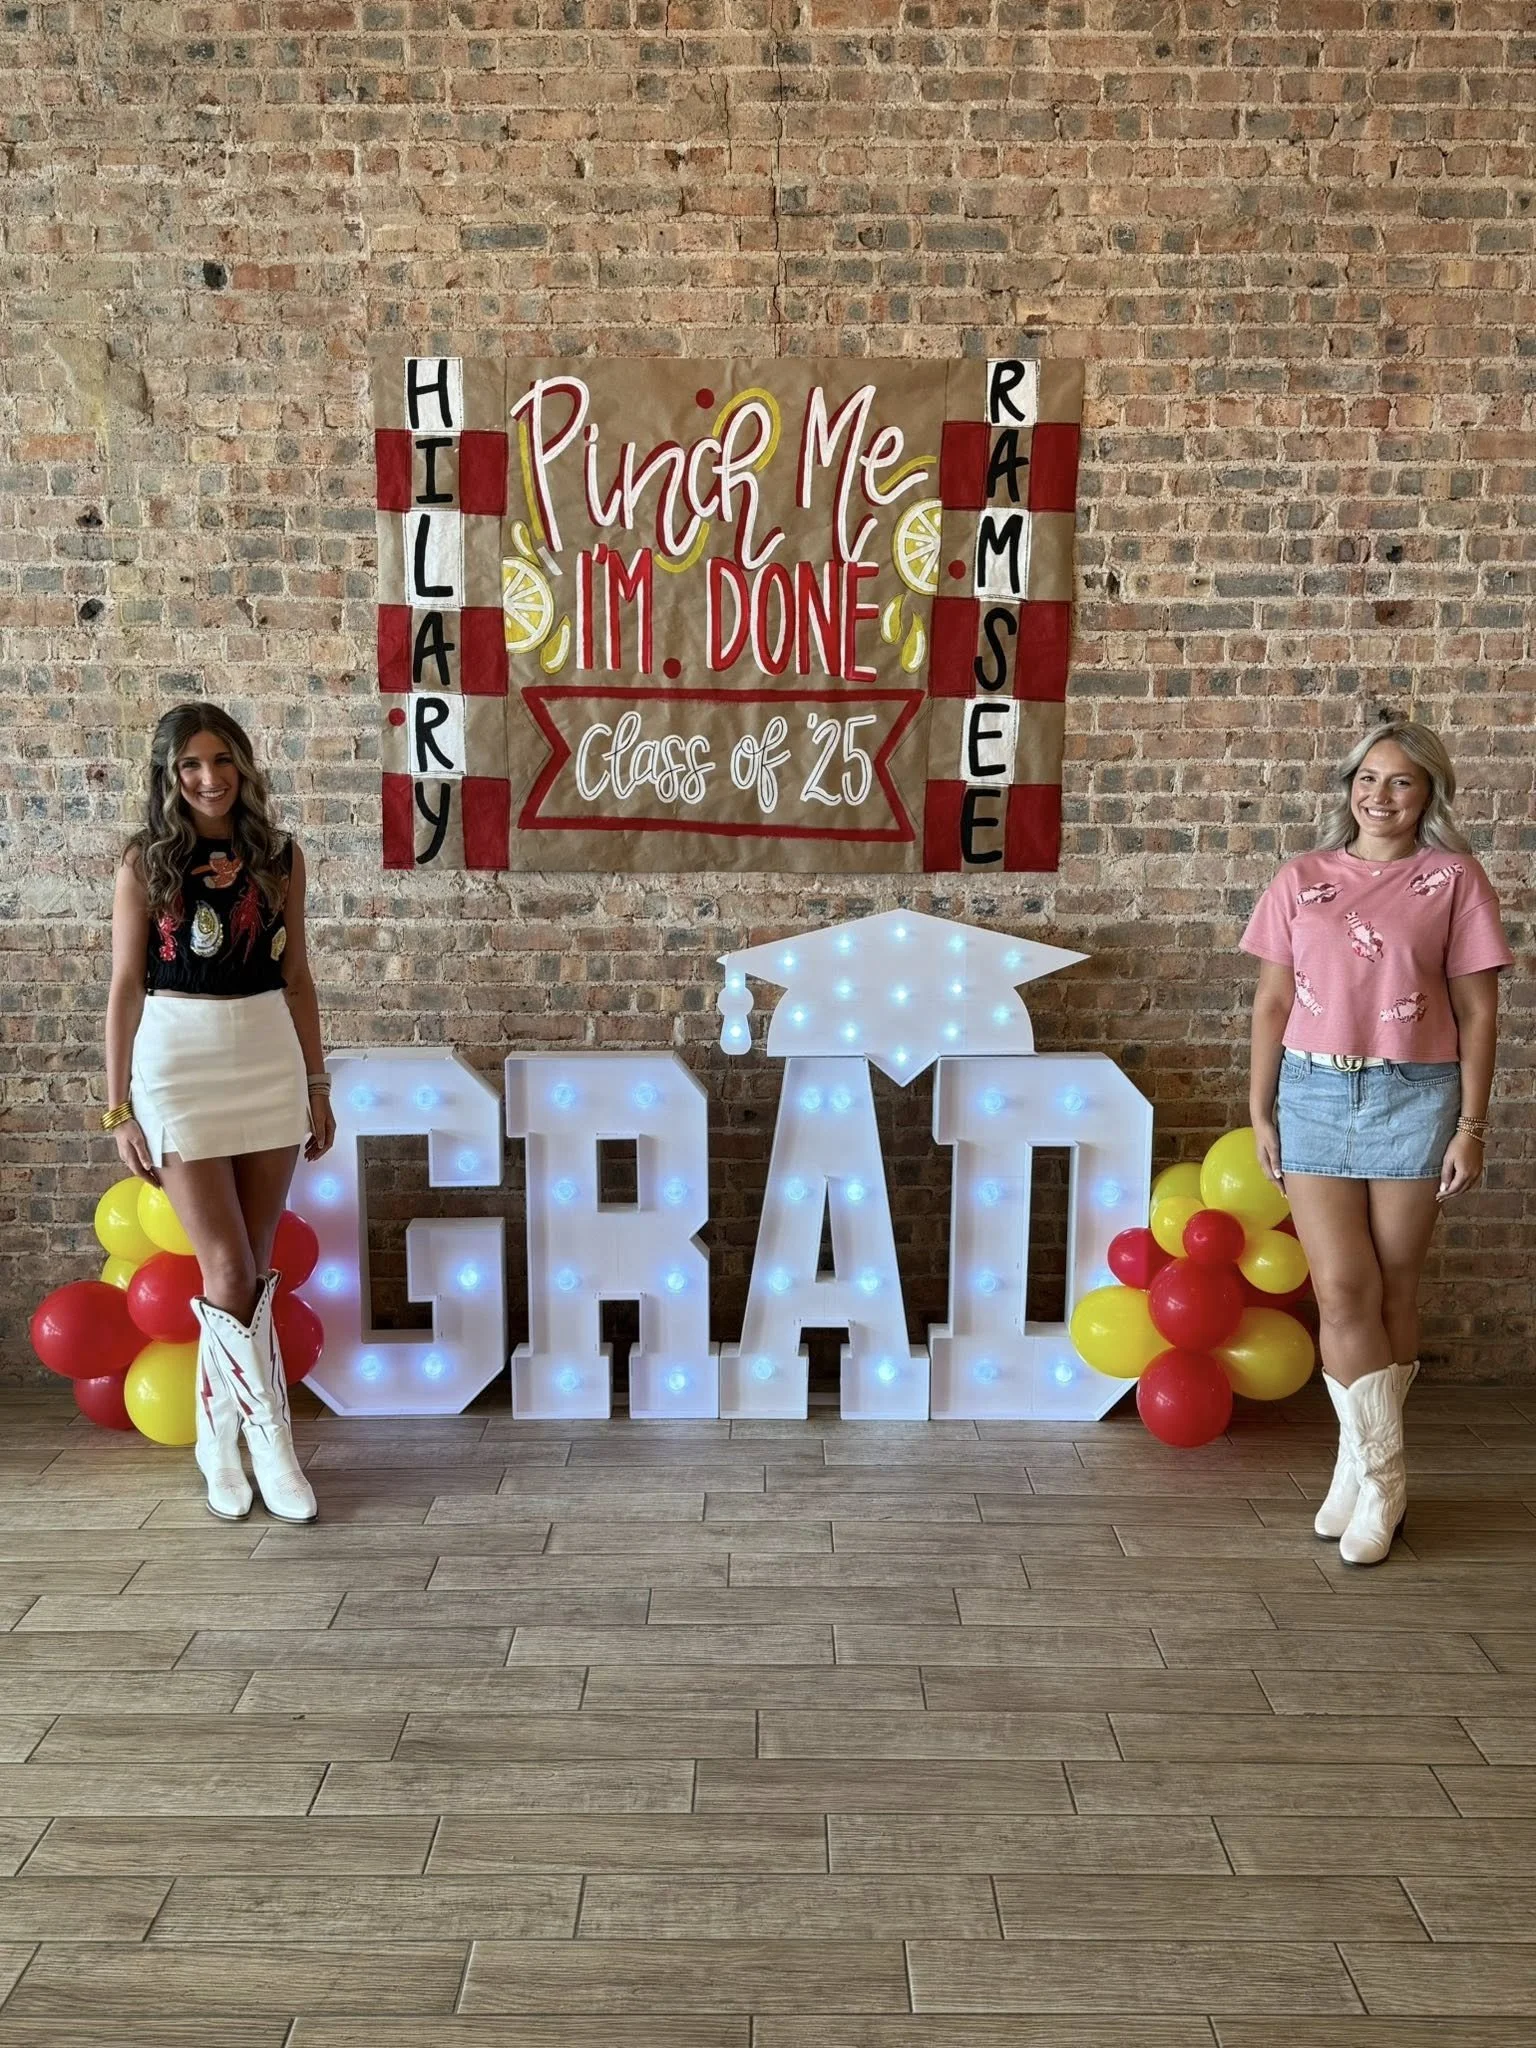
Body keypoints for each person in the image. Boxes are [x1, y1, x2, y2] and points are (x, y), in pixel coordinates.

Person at [1242, 719, 1511, 1565]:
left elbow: (1478, 1011)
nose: (1381, 795)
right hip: (1314, 1091)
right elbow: (1272, 1005)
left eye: (1401, 781)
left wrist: (1472, 1125)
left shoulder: (1454, 880)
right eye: (1368, 778)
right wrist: (1260, 1109)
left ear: (1429, 793)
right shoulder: (1302, 877)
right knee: (1344, 1291)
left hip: (1415, 1095)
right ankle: (1379, 1472)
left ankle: (1365, 1474)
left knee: (1395, 1287)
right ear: (1347, 786)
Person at [103, 703, 334, 1523]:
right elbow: (127, 985)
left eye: (221, 759)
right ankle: (271, 1442)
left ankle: (215, 1437)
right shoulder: (146, 862)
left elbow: (298, 976)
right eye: (190, 766)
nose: (209, 777)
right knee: (230, 1273)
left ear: (242, 762)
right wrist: (116, 1106)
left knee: (253, 1274)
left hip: (265, 1049)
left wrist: (317, 1083)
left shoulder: (279, 856)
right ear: (170, 777)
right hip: (179, 1056)